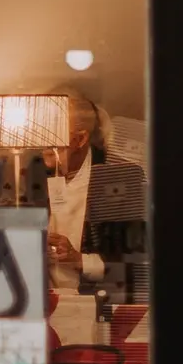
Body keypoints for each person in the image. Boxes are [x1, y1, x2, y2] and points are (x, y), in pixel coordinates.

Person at [46, 93, 149, 302]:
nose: (42, 138)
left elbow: (134, 267)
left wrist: (78, 260)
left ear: (81, 139)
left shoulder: (117, 180)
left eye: (52, 129)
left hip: (95, 305)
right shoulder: (31, 174)